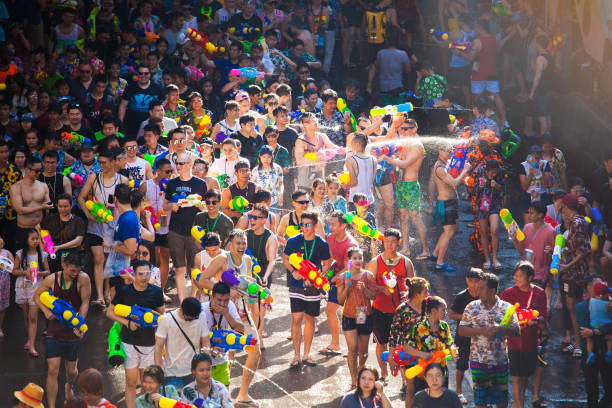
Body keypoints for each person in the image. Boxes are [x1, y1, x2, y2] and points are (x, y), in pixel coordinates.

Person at [191, 230, 261, 406]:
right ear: (230, 244)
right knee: (227, 355)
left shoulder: (247, 260)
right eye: (238, 243)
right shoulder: (222, 259)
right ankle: (220, 398)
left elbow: (249, 285)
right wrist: (225, 292)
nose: (241, 246)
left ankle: (243, 394)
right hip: (221, 310)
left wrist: (257, 296)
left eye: (244, 243)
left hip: (243, 312)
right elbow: (202, 280)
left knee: (255, 349)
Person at [34, 251, 91, 408]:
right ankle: (51, 406)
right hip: (55, 330)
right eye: (72, 270)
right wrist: (46, 312)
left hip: (73, 330)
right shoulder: (52, 279)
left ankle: (68, 385)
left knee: (71, 371)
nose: (74, 273)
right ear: (63, 265)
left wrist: (80, 323)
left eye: (77, 270)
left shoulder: (83, 279)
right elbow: (37, 295)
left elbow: (85, 302)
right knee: (52, 369)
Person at [107, 260, 165, 408]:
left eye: (147, 273)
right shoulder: (124, 292)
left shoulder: (156, 291)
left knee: (150, 385)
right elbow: (109, 312)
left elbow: (162, 315)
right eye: (141, 274)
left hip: (149, 345)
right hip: (129, 343)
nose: (144, 277)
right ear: (134, 273)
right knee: (131, 383)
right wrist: (127, 323)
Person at [458, 273, 520, 408]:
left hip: (500, 362)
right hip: (478, 362)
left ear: (492, 291)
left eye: (481, 288)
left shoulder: (506, 308)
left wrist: (501, 329)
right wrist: (481, 331)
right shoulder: (471, 306)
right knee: (480, 401)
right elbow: (461, 330)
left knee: (501, 400)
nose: (477, 291)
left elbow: (517, 331)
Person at [283, 211, 332, 368]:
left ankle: (306, 354)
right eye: (302, 224)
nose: (303, 227)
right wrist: (293, 271)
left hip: (313, 287)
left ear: (315, 226)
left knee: (310, 319)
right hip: (296, 285)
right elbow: (285, 258)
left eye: (307, 225)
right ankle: (296, 355)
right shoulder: (293, 241)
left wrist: (318, 275)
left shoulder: (321, 243)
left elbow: (328, 262)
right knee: (296, 319)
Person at [77, 149, 127, 306]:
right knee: (98, 259)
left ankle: (107, 291)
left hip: (114, 224)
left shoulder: (123, 180)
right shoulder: (94, 177)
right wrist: (88, 214)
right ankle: (99, 295)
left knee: (108, 260)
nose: (101, 165)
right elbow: (81, 197)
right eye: (100, 163)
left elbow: (128, 203)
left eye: (104, 162)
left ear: (113, 162)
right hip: (96, 223)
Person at [367, 228, 414, 381]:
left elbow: (414, 285)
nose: (390, 244)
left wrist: (409, 294)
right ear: (383, 242)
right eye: (387, 241)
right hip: (380, 310)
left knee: (402, 346)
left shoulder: (406, 262)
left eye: (393, 242)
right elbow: (368, 287)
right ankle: (384, 373)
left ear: (399, 243)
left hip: (400, 312)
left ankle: (404, 379)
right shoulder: (375, 262)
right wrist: (381, 289)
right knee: (382, 344)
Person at [379, 117, 429, 258]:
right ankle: (405, 248)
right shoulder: (406, 143)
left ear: (415, 129)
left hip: (411, 186)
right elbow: (400, 160)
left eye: (407, 129)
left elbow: (405, 163)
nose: (404, 131)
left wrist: (388, 158)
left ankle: (426, 250)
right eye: (402, 128)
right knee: (403, 216)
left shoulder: (417, 146)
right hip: (401, 184)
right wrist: (393, 154)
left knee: (415, 217)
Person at [500, 262, 548, 408]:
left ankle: (517, 402)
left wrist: (537, 321)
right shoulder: (508, 293)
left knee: (525, 375)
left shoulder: (539, 293)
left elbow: (543, 318)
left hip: (531, 341)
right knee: (515, 376)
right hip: (513, 341)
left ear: (530, 277)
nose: (516, 278)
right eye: (515, 275)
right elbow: (500, 315)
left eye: (520, 276)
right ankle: (519, 404)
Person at [163, 151, 207, 302]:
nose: (178, 166)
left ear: (189, 164)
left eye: (181, 163)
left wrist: (198, 204)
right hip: (176, 230)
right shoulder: (172, 183)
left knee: (195, 268)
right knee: (179, 268)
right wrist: (173, 205)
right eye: (177, 163)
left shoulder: (200, 184)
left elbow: (208, 208)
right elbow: (164, 205)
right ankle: (183, 302)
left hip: (195, 231)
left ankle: (193, 299)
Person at [336, 247, 377, 389]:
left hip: (364, 314)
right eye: (355, 258)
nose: (358, 261)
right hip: (349, 315)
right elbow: (340, 300)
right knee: (352, 349)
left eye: (360, 258)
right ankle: (354, 380)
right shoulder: (343, 277)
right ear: (349, 260)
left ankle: (361, 371)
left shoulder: (368, 276)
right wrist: (347, 286)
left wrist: (365, 289)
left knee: (363, 351)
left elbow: (374, 296)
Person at [404, 296, 454, 406]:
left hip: (441, 373)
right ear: (433, 311)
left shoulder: (444, 326)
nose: (446, 312)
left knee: (442, 402)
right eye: (443, 309)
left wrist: (454, 351)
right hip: (424, 374)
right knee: (424, 402)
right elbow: (406, 346)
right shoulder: (419, 327)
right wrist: (421, 354)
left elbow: (450, 344)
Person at [154, 297, 210, 391]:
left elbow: (205, 341)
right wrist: (158, 371)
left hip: (194, 372)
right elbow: (158, 346)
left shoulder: (201, 316)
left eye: (194, 318)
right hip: (172, 374)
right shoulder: (166, 320)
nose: (191, 321)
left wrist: (206, 365)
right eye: (188, 319)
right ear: (181, 309)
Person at [431, 143, 471, 270]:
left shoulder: (444, 165)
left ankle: (435, 254)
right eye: (447, 151)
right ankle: (440, 263)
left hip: (450, 203)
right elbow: (454, 182)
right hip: (446, 203)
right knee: (448, 232)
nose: (450, 153)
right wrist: (465, 170)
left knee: (452, 230)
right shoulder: (440, 168)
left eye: (451, 151)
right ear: (439, 151)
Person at [323, 211, 358, 355]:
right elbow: (330, 260)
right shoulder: (330, 238)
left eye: (333, 224)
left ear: (343, 225)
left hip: (351, 280)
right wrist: (324, 272)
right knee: (330, 310)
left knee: (353, 315)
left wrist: (334, 277)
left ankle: (355, 348)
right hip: (337, 278)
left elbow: (349, 268)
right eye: (329, 224)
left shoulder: (351, 244)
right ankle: (336, 344)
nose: (330, 227)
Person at [12, 228, 50, 357]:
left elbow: (48, 272)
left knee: (33, 316)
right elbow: (14, 270)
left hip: (36, 287)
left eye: (37, 239)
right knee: (26, 314)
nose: (35, 241)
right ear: (26, 240)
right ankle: (29, 338)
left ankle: (32, 346)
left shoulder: (42, 254)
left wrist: (38, 273)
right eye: (32, 239)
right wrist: (25, 272)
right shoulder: (20, 253)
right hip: (23, 286)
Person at [576, 275, 612, 408]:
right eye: (597, 285)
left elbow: (591, 331)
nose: (600, 288)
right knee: (591, 390)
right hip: (590, 351)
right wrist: (603, 331)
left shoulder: (609, 304)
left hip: (607, 352)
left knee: (610, 389)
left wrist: (595, 332)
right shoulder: (581, 307)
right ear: (588, 288)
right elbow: (584, 328)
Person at [245, 203, 278, 344]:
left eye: (255, 218)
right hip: (246, 275)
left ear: (264, 220)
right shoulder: (246, 234)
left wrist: (265, 276)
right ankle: (252, 336)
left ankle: (258, 341)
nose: (251, 219)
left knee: (259, 309)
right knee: (249, 308)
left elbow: (272, 261)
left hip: (262, 275)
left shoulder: (271, 237)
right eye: (250, 216)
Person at [511, 201, 556, 307]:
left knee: (534, 301)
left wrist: (552, 251)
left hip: (541, 273)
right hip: (525, 270)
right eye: (529, 212)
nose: (529, 215)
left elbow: (556, 254)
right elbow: (521, 249)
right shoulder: (526, 227)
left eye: (532, 213)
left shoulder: (550, 231)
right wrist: (514, 239)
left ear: (540, 215)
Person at [448, 268, 482, 405]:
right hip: (463, 336)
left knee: (480, 365)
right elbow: (451, 315)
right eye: (471, 281)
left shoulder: (484, 295)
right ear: (467, 281)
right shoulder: (461, 296)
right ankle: (458, 391)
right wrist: (466, 317)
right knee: (461, 365)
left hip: (480, 337)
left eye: (477, 282)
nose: (474, 285)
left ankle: (480, 392)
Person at [9, 156, 53, 249]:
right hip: (24, 229)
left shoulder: (43, 186)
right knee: (23, 259)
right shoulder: (16, 187)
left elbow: (48, 206)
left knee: (45, 257)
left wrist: (49, 206)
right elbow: (19, 210)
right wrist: (41, 207)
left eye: (40, 170)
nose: (39, 173)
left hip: (41, 228)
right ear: (27, 170)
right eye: (36, 171)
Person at [102, 184, 140, 287]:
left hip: (125, 272)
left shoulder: (128, 219)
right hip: (120, 269)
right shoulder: (125, 216)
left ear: (115, 199)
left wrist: (110, 245)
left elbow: (130, 250)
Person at [474, 159, 505, 270]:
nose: (494, 173)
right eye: (492, 171)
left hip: (494, 204)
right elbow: (474, 188)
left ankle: (495, 258)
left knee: (495, 229)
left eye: (495, 171)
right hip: (482, 203)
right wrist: (479, 187)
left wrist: (496, 185)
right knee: (483, 231)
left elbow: (503, 189)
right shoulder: (480, 171)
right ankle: (487, 259)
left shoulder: (500, 171)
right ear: (487, 170)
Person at [119, 65, 163, 136]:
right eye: (141, 73)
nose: (143, 75)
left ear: (150, 74)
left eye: (146, 73)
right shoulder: (130, 88)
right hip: (131, 125)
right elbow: (122, 106)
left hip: (151, 126)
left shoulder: (157, 88)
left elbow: (162, 107)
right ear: (137, 74)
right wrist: (120, 124)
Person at [345, 132, 376, 204]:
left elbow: (353, 182)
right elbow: (371, 181)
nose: (351, 144)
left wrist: (343, 184)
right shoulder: (373, 159)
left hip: (356, 201)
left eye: (352, 142)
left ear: (358, 145)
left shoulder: (350, 160)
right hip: (369, 200)